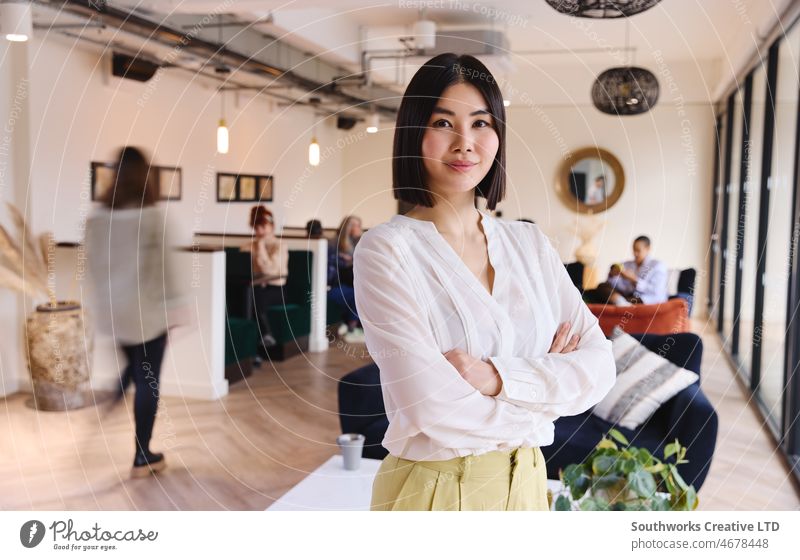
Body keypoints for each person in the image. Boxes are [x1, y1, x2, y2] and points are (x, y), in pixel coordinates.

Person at [353, 53, 616, 511]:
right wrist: (543, 399)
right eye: (442, 122)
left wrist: (494, 377)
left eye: (480, 123)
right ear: (415, 131)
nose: (465, 143)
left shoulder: (530, 244)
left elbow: (599, 370)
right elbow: (431, 407)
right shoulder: (386, 250)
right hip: (434, 492)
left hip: (530, 483)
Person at [85, 146, 185, 478]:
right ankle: (143, 455)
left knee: (137, 368)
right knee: (149, 381)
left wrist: (103, 307)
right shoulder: (153, 216)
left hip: (116, 312)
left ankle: (117, 391)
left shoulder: (97, 217)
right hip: (149, 312)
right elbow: (166, 268)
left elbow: (94, 268)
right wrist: (177, 306)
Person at [241, 205, 289, 351]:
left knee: (254, 297)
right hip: (255, 287)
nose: (259, 231)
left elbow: (269, 270)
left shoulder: (280, 245)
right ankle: (253, 342)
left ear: (272, 226)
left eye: (263, 226)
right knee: (247, 295)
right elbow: (243, 268)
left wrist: (261, 246)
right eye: (256, 227)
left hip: (277, 289)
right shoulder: (249, 245)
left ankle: (265, 335)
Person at [586, 236, 668, 306]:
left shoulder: (657, 266)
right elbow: (617, 286)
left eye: (638, 250)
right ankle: (620, 302)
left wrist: (633, 279)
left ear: (648, 249)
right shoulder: (627, 264)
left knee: (598, 296)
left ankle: (620, 302)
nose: (635, 254)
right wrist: (613, 275)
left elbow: (656, 291)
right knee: (602, 286)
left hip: (644, 298)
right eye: (634, 250)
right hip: (624, 296)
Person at [328, 215, 364, 343]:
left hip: (348, 284)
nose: (359, 228)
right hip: (334, 286)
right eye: (356, 225)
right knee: (359, 294)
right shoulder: (334, 243)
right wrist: (345, 261)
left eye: (359, 224)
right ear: (348, 227)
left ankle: (352, 326)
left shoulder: (358, 243)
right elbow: (331, 268)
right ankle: (351, 329)